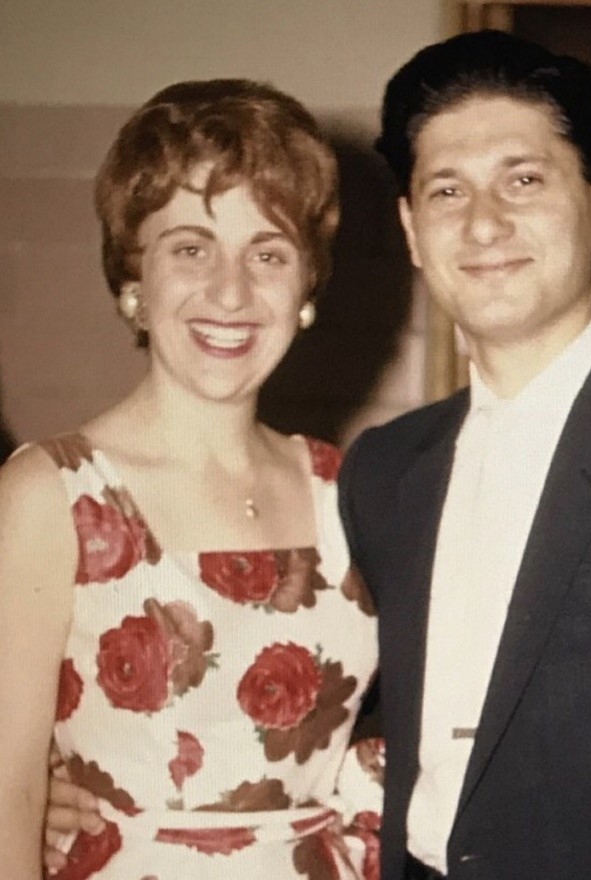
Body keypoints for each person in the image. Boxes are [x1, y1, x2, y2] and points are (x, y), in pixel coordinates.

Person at [337, 30, 591, 880]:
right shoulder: (381, 471)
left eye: (524, 180)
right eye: (447, 190)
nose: (484, 223)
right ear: (412, 229)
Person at [0, 79, 382, 880]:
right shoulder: (50, 495)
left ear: (306, 288)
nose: (230, 292)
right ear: (134, 278)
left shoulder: (350, 490)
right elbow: (7, 800)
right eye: (190, 248)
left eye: (268, 253)